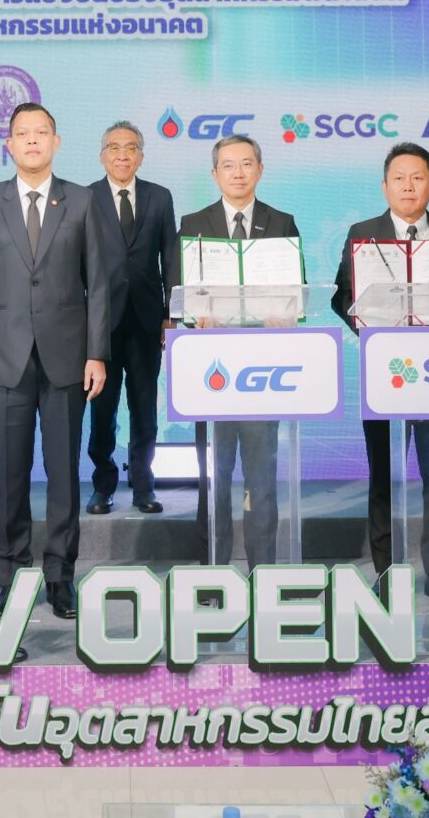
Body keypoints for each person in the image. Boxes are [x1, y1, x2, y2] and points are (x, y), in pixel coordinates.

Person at [0, 102, 108, 620]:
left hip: (68, 357)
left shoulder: (84, 200)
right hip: (4, 359)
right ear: (9, 144)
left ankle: (61, 577)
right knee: (11, 474)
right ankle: (11, 577)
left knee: (64, 474)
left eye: (40, 132)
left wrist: (96, 353)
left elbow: (99, 284)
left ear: (55, 141)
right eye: (22, 133)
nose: (31, 141)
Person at [329, 143, 429, 603]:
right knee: (384, 479)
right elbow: (341, 296)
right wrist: (367, 323)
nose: (409, 187)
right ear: (385, 185)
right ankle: (388, 573)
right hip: (385, 370)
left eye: (418, 178)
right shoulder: (362, 233)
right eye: (399, 178)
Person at [177, 134, 301, 570]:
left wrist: (287, 313)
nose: (238, 173)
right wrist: (196, 316)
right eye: (228, 165)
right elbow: (179, 293)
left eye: (246, 164)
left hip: (261, 369)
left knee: (261, 478)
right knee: (214, 477)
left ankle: (263, 569)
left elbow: (297, 291)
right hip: (210, 371)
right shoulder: (192, 224)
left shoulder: (282, 223)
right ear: (215, 174)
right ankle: (213, 572)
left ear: (260, 170)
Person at [85, 121, 177, 516]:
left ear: (141, 155)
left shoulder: (159, 197)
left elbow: (170, 257)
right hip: (100, 325)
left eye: (131, 147)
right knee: (102, 409)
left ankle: (143, 485)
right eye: (114, 147)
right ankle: (102, 485)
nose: (122, 154)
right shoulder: (85, 197)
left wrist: (171, 314)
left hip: (146, 320)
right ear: (102, 155)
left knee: (144, 408)